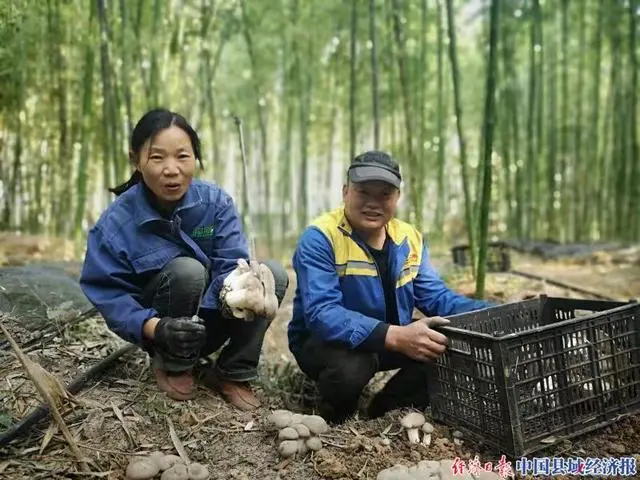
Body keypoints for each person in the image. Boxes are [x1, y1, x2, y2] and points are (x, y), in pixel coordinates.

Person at [79, 108, 289, 411]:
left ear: (195, 158)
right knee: (187, 270)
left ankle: (232, 372)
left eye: (182, 156)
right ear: (135, 160)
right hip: (163, 329)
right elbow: (109, 294)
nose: (171, 169)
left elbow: (232, 262)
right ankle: (174, 365)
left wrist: (243, 290)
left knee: (273, 275)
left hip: (216, 318)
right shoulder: (116, 224)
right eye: (157, 157)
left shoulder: (215, 203)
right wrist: (155, 327)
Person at [288, 150, 500, 423]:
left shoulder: (409, 238)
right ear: (345, 192)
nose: (373, 204)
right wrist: (397, 336)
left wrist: (495, 311)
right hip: (323, 341)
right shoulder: (320, 238)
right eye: (364, 192)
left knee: (447, 344)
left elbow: (438, 298)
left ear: (397, 198)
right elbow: (322, 314)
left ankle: (384, 411)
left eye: (384, 195)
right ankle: (334, 419)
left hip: (392, 333)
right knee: (352, 365)